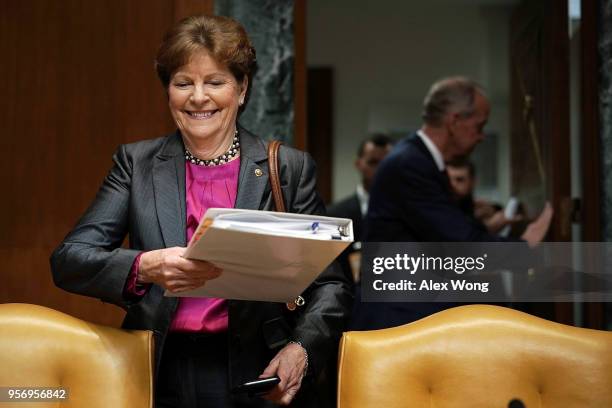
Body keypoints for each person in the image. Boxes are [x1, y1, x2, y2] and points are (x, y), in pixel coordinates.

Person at [50, 15, 351, 408]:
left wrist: (302, 349)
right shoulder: (136, 164)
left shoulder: (289, 168)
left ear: (241, 89)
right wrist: (145, 265)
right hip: (159, 368)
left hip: (259, 371)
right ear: (168, 91)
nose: (198, 97)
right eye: (183, 83)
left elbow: (333, 285)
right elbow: (69, 260)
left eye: (215, 82)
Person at [351, 76, 553, 330]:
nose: (481, 136)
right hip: (397, 318)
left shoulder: (419, 161)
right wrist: (526, 246)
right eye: (479, 126)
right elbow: (461, 244)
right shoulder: (410, 164)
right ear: (455, 121)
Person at [327, 134, 394, 281]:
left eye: (387, 163)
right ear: (359, 164)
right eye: (373, 162)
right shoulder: (335, 216)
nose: (381, 170)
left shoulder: (410, 214)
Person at [446, 157, 521, 234]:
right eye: (448, 180)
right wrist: (488, 228)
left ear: (473, 182)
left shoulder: (477, 209)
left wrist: (492, 211)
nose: (452, 185)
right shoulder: (441, 209)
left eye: (459, 180)